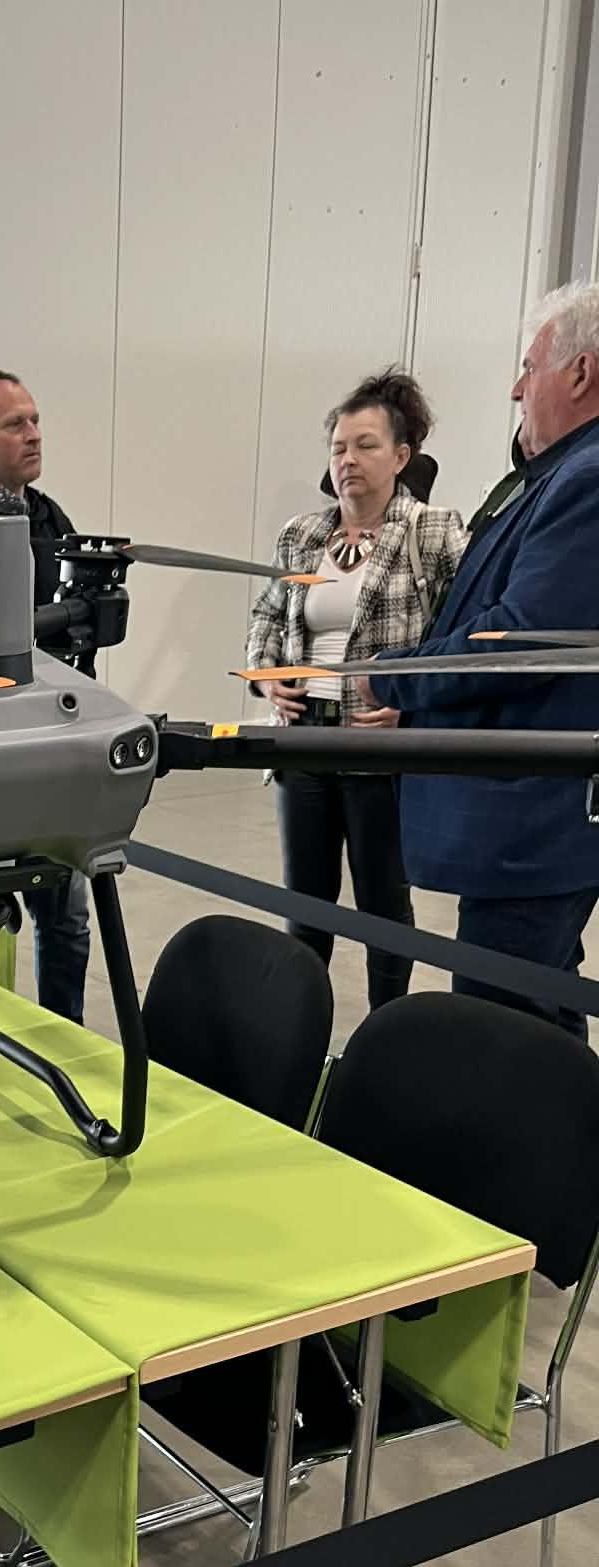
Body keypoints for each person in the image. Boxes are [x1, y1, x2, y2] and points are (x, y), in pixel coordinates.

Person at [363, 282, 599, 1038]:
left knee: (500, 1027)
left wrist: (397, 676)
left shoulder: (586, 479)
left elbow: (521, 641)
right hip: (532, 821)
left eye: (529, 367)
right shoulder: (559, 474)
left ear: (580, 373)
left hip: (534, 821)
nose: (516, 389)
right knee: (542, 1011)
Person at [248, 370, 467, 1010]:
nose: (348, 459)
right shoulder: (301, 535)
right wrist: (268, 679)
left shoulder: (432, 531)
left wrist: (415, 704)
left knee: (383, 909)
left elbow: (465, 631)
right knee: (305, 905)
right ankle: (296, 1031)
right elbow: (266, 618)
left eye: (366, 445)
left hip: (381, 744)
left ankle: (386, 1033)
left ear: (401, 456)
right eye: (338, 447)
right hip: (303, 740)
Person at [0, 367, 91, 1022]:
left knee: (66, 916)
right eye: (15, 424)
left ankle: (66, 1035)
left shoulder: (50, 518)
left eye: (35, 420)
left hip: (49, 743)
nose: (34, 434)